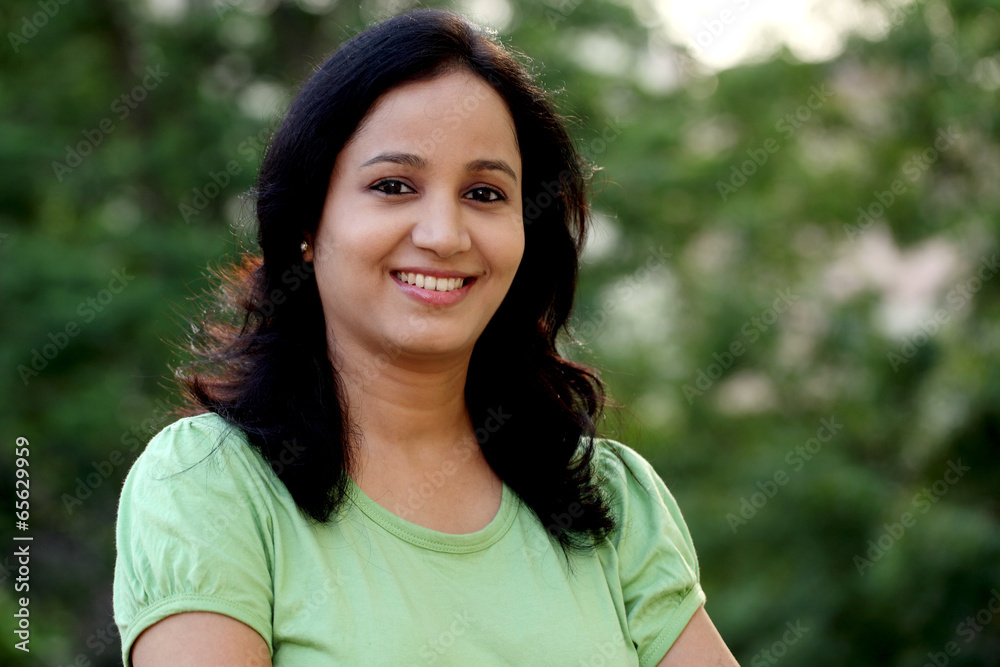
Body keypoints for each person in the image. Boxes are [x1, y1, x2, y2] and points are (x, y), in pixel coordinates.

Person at [113, 8, 740, 666]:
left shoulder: (608, 499)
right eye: (393, 186)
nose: (443, 234)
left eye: (484, 193)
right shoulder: (209, 485)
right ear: (306, 221)